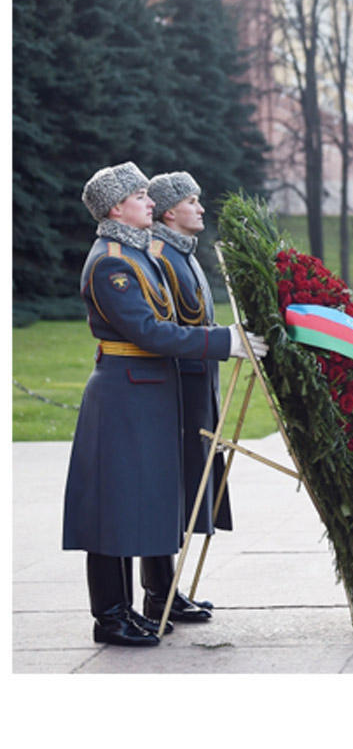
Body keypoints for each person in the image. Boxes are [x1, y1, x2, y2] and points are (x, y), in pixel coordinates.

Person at [62, 162, 267, 647]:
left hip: (147, 394)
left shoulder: (136, 254)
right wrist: (223, 343)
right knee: (113, 509)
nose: (149, 201)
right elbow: (150, 332)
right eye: (139, 196)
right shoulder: (112, 262)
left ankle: (136, 606)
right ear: (116, 207)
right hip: (123, 394)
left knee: (142, 502)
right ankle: (110, 616)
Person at [146, 171, 231, 621]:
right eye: (191, 201)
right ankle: (158, 593)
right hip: (178, 387)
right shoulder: (161, 255)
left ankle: (167, 588)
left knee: (183, 489)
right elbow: (170, 329)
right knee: (170, 489)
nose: (200, 208)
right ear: (168, 211)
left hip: (198, 383)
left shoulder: (184, 254)